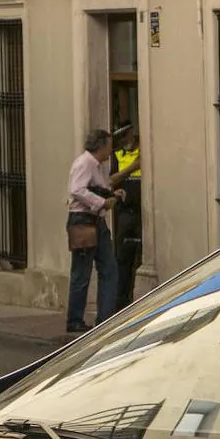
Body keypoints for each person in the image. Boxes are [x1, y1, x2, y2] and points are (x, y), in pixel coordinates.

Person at [65, 129, 137, 333]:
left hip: (96, 221)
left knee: (109, 268)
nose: (110, 150)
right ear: (100, 146)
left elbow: (93, 187)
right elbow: (77, 189)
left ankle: (105, 317)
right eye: (108, 145)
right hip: (84, 221)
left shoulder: (96, 165)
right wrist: (103, 202)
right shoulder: (85, 163)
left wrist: (110, 193)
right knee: (82, 271)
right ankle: (75, 319)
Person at [110, 122, 143, 312]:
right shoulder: (117, 156)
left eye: (125, 135)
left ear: (131, 132)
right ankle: (121, 303)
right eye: (119, 138)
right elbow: (111, 180)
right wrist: (132, 168)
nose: (123, 141)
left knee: (141, 258)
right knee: (123, 259)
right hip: (126, 214)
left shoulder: (144, 150)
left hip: (143, 213)